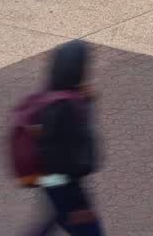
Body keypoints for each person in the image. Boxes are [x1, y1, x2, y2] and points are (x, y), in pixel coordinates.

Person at [26, 41, 103, 236]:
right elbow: (80, 145)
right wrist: (87, 103)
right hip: (65, 181)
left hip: (49, 177)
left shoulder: (50, 92)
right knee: (89, 230)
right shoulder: (68, 104)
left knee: (57, 215)